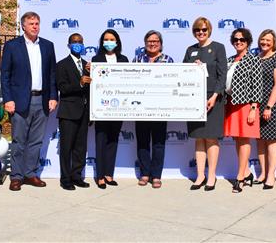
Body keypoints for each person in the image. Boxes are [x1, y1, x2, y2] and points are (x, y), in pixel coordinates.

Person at [1, 11, 58, 191]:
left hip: (41, 100)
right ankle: (16, 176)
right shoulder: (12, 46)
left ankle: (30, 174)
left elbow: (52, 74)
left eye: (37, 23)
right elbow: (5, 76)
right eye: (31, 23)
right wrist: (8, 99)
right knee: (18, 141)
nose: (35, 26)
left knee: (36, 141)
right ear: (23, 26)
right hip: (19, 102)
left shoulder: (48, 46)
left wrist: (53, 97)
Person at [183, 17, 227, 191]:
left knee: (211, 137)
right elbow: (183, 71)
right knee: (199, 137)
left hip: (212, 98)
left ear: (209, 30)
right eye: (197, 30)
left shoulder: (218, 48)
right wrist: (192, 67)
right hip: (194, 98)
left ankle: (211, 176)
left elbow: (222, 74)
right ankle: (200, 175)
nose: (200, 33)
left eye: (204, 30)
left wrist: (215, 95)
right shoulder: (190, 50)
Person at [133, 30, 174, 189]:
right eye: (149, 41)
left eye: (156, 41)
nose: (152, 43)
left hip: (160, 108)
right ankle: (145, 173)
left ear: (160, 43)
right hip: (140, 108)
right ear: (145, 43)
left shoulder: (168, 60)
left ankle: (156, 176)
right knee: (142, 142)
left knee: (158, 143)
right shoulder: (137, 59)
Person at [224, 28, 263, 193]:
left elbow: (257, 85)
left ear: (248, 42)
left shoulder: (254, 60)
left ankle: (240, 176)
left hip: (247, 105)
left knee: (245, 140)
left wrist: (254, 108)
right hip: (231, 104)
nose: (238, 42)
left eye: (242, 40)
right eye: (236, 39)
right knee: (238, 140)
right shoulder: (229, 60)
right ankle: (247, 172)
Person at [91, 29, 129, 189]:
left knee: (113, 140)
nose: (109, 42)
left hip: (118, 107)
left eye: (112, 39)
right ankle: (99, 176)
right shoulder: (96, 59)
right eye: (106, 39)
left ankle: (108, 174)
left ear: (117, 41)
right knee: (101, 140)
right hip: (101, 108)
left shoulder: (123, 59)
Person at [56, 33, 92, 190]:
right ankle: (65, 179)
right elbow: (62, 88)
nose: (78, 44)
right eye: (74, 42)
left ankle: (77, 176)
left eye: (80, 42)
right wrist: (80, 83)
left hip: (84, 112)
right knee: (66, 148)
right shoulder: (62, 65)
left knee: (80, 147)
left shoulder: (87, 65)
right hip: (68, 112)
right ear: (69, 45)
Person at [255, 29, 276, 190]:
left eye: (268, 40)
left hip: (272, 105)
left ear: (273, 42)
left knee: (272, 140)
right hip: (256, 105)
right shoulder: (256, 58)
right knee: (260, 140)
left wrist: (269, 106)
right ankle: (262, 172)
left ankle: (271, 176)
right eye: (263, 40)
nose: (265, 43)